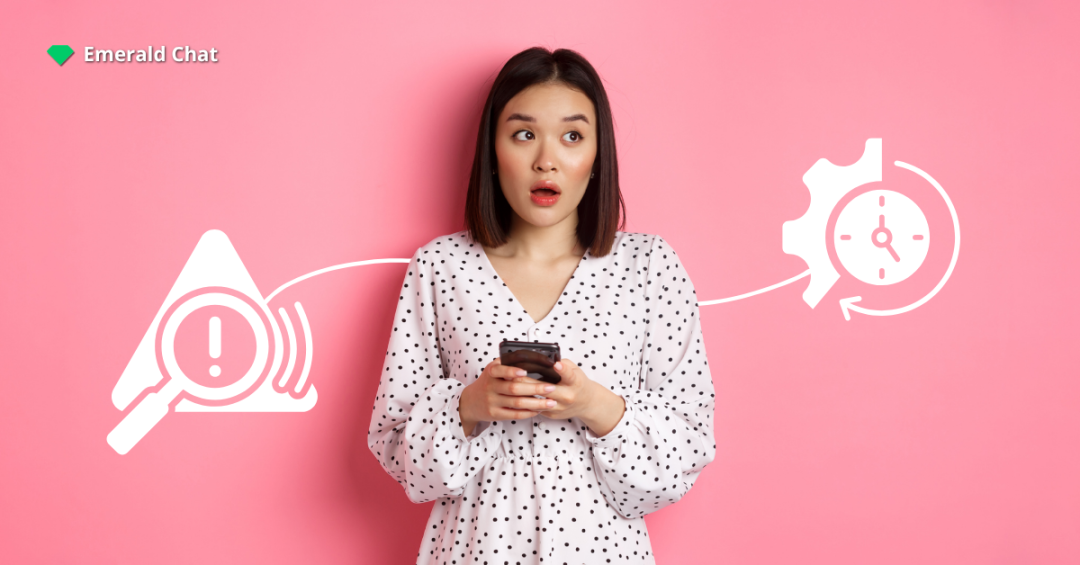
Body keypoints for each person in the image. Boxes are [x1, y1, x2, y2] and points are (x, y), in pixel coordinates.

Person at [368, 46, 716, 565]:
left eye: (572, 136)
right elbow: (398, 449)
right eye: (524, 134)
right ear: (494, 150)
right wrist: (469, 406)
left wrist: (594, 405)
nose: (546, 160)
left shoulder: (650, 267)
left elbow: (687, 448)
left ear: (598, 155)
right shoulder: (440, 267)